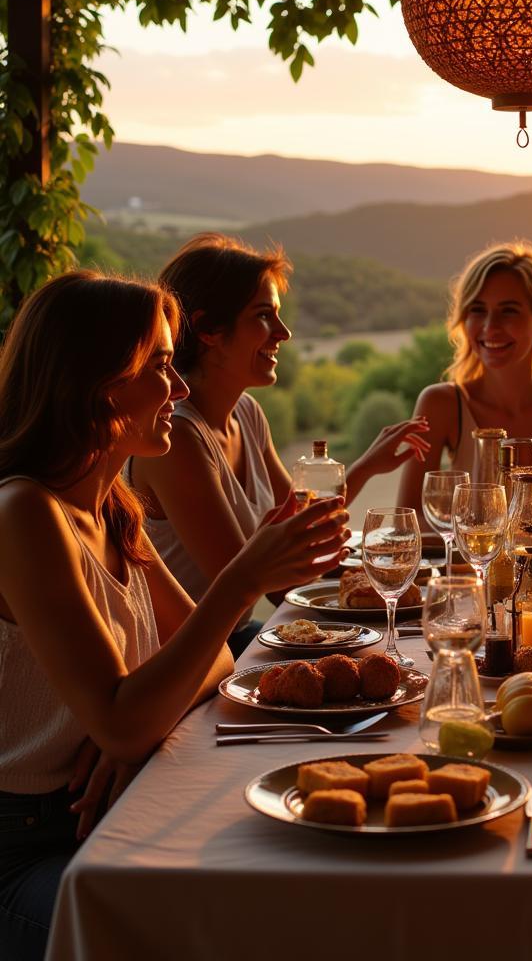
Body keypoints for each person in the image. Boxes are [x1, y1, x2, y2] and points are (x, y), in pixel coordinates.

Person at [0, 272, 348, 961]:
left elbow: (216, 661)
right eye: (160, 368)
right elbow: (130, 715)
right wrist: (243, 577)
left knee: (286, 887)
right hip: (27, 847)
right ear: (97, 381)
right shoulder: (24, 513)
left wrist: (126, 725)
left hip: (106, 807)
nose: (181, 388)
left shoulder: (109, 510)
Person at [130, 234, 430, 656]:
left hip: (234, 636)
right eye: (264, 316)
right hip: (186, 656)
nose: (283, 333)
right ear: (208, 329)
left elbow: (297, 532)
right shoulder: (179, 438)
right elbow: (253, 582)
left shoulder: (247, 414)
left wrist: (366, 466)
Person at [397, 241, 532, 510]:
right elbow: (408, 520)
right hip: (471, 555)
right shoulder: (440, 403)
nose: (490, 327)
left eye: (508, 311)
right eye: (477, 310)